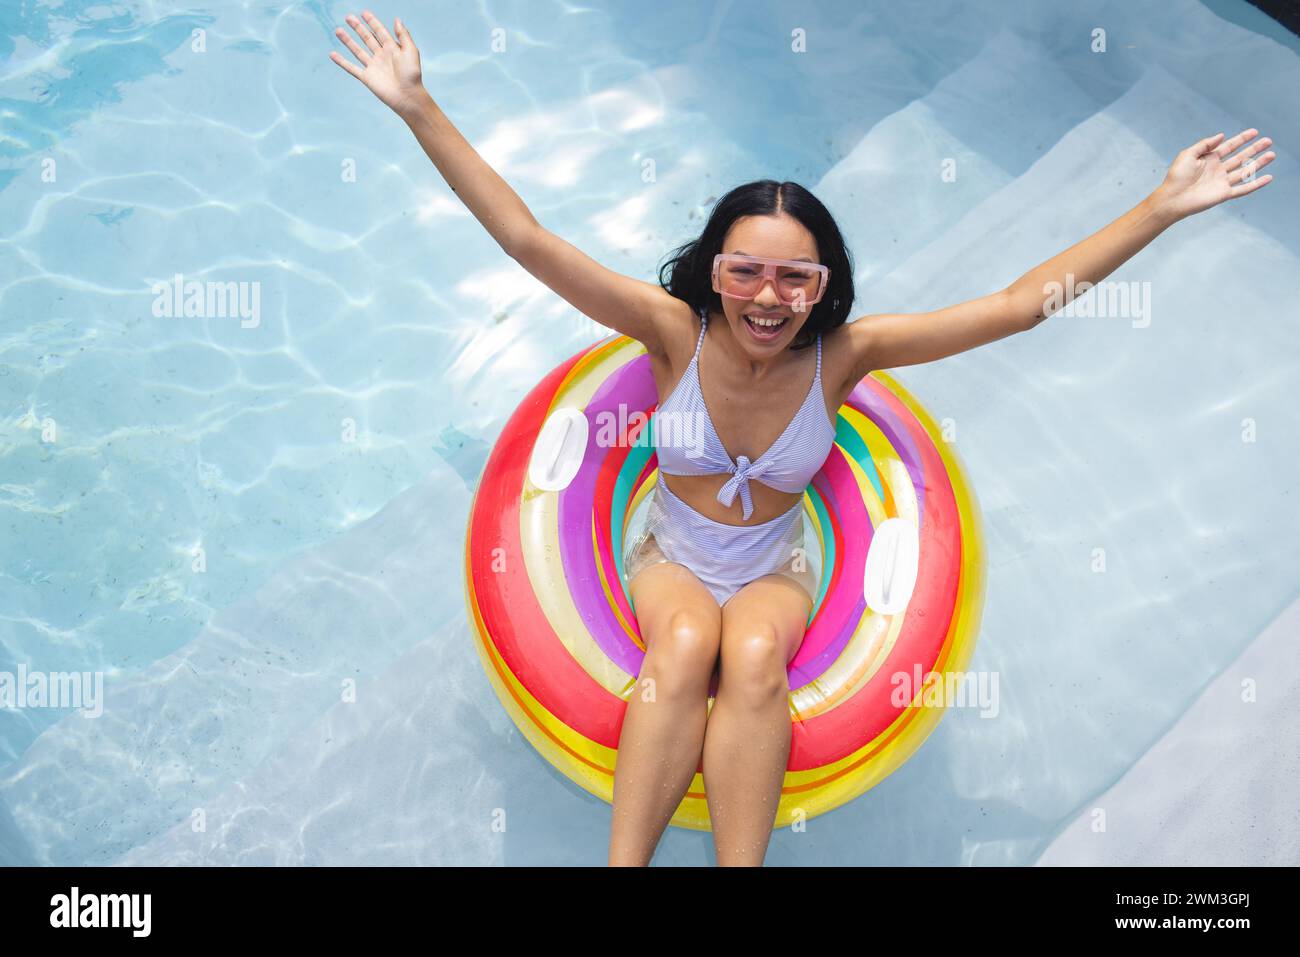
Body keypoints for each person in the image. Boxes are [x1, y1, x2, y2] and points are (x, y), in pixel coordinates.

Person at [329, 10, 1275, 866]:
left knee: (747, 654)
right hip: (667, 553)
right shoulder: (671, 331)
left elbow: (1020, 306)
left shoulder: (846, 356)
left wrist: (1160, 205)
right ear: (714, 269)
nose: (769, 298)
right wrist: (419, 108)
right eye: (747, 271)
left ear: (825, 288)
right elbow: (531, 242)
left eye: (797, 279)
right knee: (690, 635)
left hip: (781, 566)